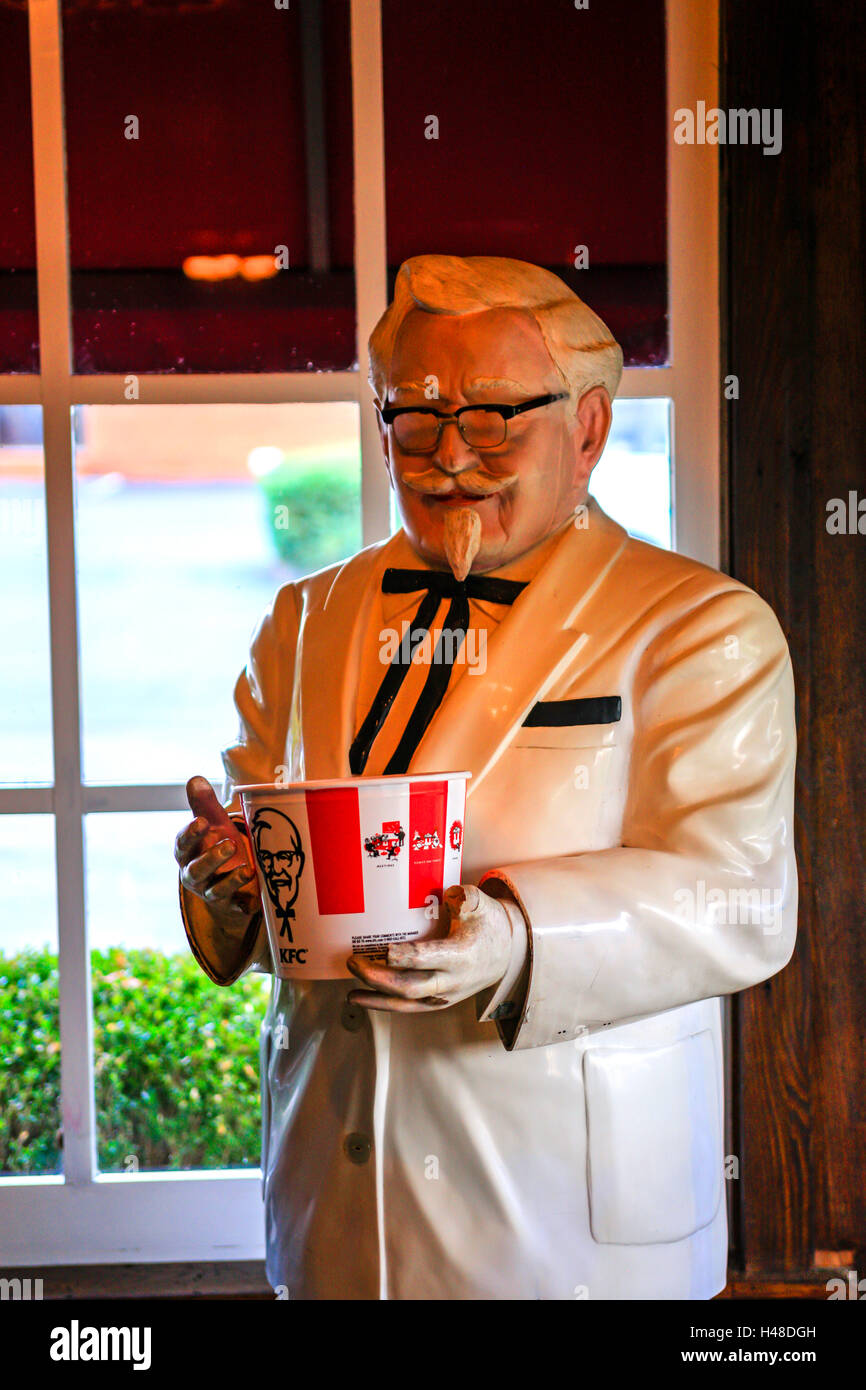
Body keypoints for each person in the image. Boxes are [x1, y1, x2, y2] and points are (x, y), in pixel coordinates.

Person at [174, 255, 797, 1300]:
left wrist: (513, 934)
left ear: (588, 427)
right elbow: (259, 864)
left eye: (492, 417)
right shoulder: (299, 621)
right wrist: (231, 882)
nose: (448, 455)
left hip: (570, 1231)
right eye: (412, 418)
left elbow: (739, 897)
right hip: (330, 1208)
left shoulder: (700, 626)